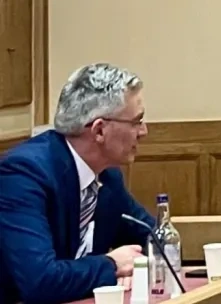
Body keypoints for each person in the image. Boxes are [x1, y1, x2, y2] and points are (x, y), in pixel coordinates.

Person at [0, 64, 155, 304]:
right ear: (99, 130)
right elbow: (41, 281)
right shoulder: (24, 175)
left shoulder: (107, 176)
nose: (143, 131)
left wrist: (135, 268)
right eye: (136, 121)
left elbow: (156, 239)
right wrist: (112, 265)